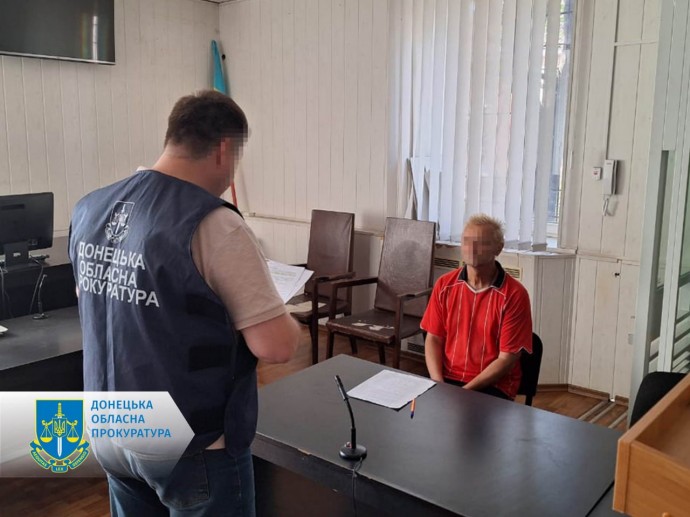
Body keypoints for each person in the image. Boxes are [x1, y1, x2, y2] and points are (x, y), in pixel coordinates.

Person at [68, 90, 301, 516]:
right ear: (224, 149)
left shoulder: (90, 208)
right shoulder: (213, 222)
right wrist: (283, 315)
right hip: (190, 440)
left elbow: (100, 301)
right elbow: (276, 347)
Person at [421, 214, 532, 400]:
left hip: (493, 385)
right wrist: (438, 384)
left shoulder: (514, 294)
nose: (471, 248)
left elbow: (506, 359)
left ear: (498, 248)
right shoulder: (444, 285)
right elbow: (433, 339)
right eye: (466, 241)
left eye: (481, 243)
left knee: (464, 417)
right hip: (446, 379)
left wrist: (462, 394)